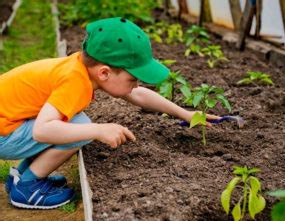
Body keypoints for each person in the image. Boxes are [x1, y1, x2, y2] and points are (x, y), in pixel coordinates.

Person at [0, 17, 220, 209]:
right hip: (4, 136)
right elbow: (42, 130)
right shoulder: (73, 82)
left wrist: (185, 114)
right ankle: (27, 188)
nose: (136, 84)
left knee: (75, 123)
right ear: (104, 72)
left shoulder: (81, 68)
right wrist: (97, 130)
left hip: (9, 124)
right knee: (80, 127)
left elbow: (139, 95)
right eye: (133, 78)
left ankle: (21, 177)